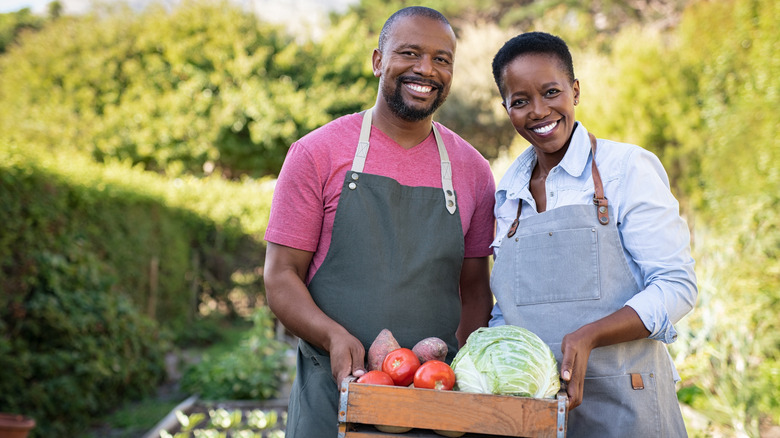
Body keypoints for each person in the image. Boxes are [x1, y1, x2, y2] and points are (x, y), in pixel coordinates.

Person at [262, 7, 496, 437]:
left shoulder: (473, 170)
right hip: (332, 397)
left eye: (442, 59)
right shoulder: (316, 153)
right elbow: (280, 277)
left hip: (436, 403)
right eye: (409, 53)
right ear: (377, 61)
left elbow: (475, 288)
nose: (426, 69)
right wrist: (333, 336)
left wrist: (457, 372)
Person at [488, 32, 697, 437]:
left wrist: (591, 336)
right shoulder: (508, 195)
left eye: (551, 92)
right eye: (520, 101)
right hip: (536, 415)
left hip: (628, 407)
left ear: (575, 91)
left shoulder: (627, 168)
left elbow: (677, 286)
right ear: (506, 108)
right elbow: (506, 311)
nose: (538, 111)